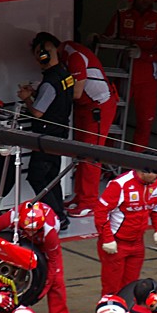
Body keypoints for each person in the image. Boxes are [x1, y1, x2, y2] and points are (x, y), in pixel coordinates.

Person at [0, 201, 69, 313]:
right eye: (28, 230)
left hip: (42, 244)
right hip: (16, 239)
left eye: (33, 231)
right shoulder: (11, 216)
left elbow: (54, 261)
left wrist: (42, 290)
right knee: (6, 284)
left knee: (57, 282)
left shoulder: (50, 231)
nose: (30, 233)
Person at [56, 37, 119, 218]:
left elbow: (75, 92)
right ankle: (80, 197)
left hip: (99, 106)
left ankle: (90, 202)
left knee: (91, 155)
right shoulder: (65, 55)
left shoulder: (73, 55)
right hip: (85, 106)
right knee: (80, 152)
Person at [103, 0, 157, 151]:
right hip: (123, 75)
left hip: (147, 79)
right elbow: (107, 38)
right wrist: (97, 38)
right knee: (112, 118)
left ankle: (136, 164)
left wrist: (143, 54)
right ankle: (106, 161)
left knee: (145, 122)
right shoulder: (121, 15)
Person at [19, 32, 76, 230]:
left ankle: (58, 217)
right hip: (60, 132)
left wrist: (27, 97)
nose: (40, 56)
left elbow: (37, 112)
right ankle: (60, 215)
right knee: (52, 177)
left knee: (37, 176)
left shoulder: (49, 82)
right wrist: (37, 91)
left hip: (46, 135)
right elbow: (61, 96)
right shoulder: (65, 74)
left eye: (41, 52)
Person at [94, 168, 157, 295]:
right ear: (144, 171)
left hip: (138, 243)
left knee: (132, 287)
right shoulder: (120, 184)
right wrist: (107, 239)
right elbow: (101, 212)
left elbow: (156, 207)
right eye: (155, 172)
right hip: (116, 244)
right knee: (111, 288)